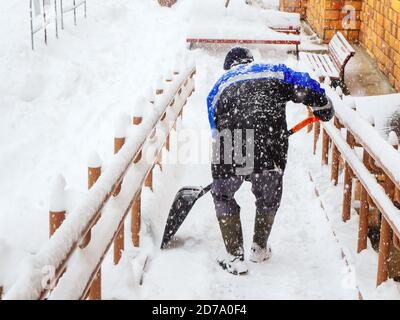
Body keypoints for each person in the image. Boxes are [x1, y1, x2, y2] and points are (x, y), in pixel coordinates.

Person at [207, 47, 334, 275]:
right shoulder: (272, 71)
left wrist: (232, 167)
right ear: (250, 61)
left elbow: (215, 129)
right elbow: (304, 83)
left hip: (231, 145)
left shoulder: (218, 88)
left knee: (223, 195)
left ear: (229, 67)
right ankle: (259, 247)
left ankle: (235, 257)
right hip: (269, 146)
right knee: (268, 197)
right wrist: (322, 104)